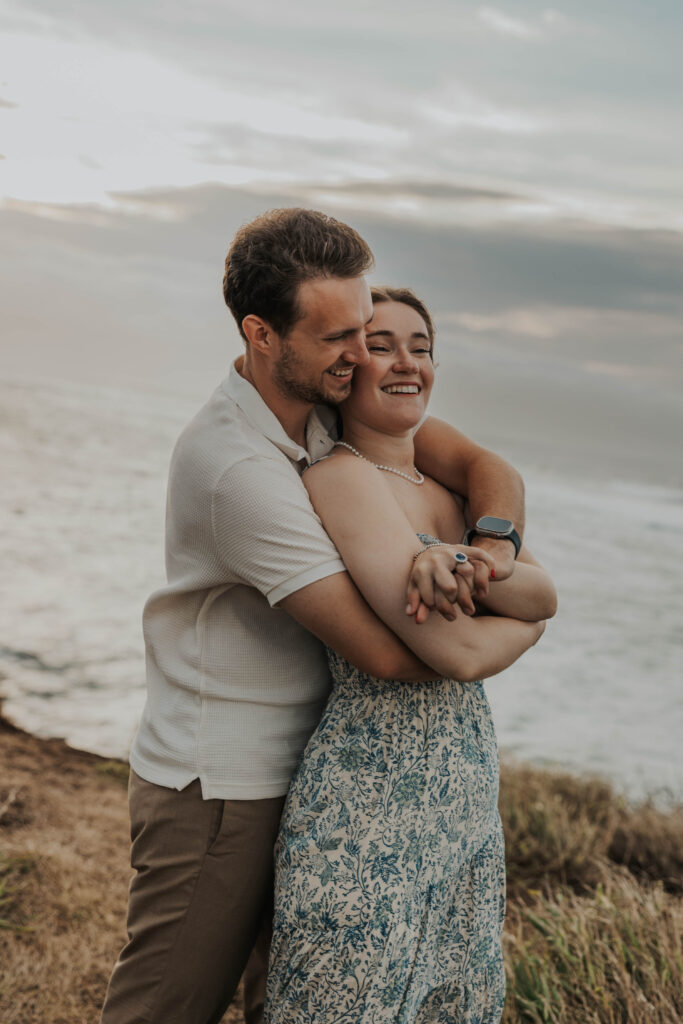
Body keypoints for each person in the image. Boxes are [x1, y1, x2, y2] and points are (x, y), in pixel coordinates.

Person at [100, 209, 528, 1024]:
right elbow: (391, 656)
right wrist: (530, 621)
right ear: (262, 334)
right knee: (165, 1007)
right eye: (337, 338)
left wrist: (495, 546)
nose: (360, 356)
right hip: (226, 783)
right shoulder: (235, 468)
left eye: (364, 331)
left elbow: (482, 465)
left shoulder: (327, 404)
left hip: (322, 780)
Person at [264, 287, 556, 1023]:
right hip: (369, 811)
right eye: (381, 345)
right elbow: (457, 652)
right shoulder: (339, 477)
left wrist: (464, 560)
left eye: (420, 347)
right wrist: (516, 617)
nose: (405, 363)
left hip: (463, 808)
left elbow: (544, 597)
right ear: (345, 368)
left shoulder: (447, 487)